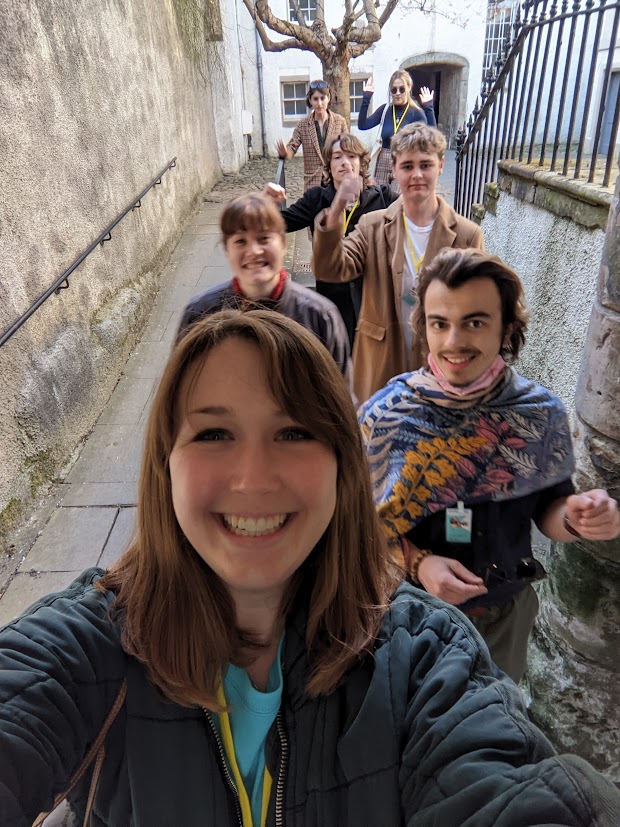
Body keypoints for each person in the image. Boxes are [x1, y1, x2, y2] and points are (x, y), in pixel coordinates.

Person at [2, 309, 620, 826]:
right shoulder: (90, 644)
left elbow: (502, 784)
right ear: (166, 466)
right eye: (214, 434)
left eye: (295, 431)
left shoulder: (424, 657)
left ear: (343, 467)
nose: (253, 478)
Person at [358, 248, 620, 683]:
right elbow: (355, 523)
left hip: (503, 619)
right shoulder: (387, 416)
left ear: (507, 330)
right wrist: (419, 562)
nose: (454, 341)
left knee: (490, 735)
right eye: (440, 323)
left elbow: (549, 511)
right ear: (424, 327)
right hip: (406, 612)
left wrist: (578, 518)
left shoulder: (539, 414)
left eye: (474, 322)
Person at [312, 123, 484, 403]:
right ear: (393, 170)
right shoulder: (372, 226)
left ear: (441, 165)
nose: (416, 174)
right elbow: (331, 268)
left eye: (425, 165)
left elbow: (476, 310)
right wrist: (336, 209)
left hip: (440, 371)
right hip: (381, 367)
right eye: (407, 166)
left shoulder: (467, 235)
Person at [175, 193, 350, 380]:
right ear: (227, 250)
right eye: (241, 241)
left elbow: (341, 393)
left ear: (283, 243)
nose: (254, 251)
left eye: (264, 238)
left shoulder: (319, 316)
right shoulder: (201, 314)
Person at [265, 132, 398, 347]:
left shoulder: (382, 198)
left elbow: (416, 214)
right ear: (329, 165)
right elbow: (276, 224)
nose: (345, 163)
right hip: (332, 303)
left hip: (372, 302)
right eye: (337, 157)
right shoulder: (316, 198)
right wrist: (266, 202)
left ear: (361, 162)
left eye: (351, 156)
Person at [358, 71, 436, 186]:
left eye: (402, 89)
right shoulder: (385, 110)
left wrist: (429, 108)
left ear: (409, 88)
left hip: (405, 160)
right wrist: (366, 99)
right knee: (380, 200)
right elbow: (363, 125)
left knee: (400, 201)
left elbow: (432, 138)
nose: (398, 93)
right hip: (384, 161)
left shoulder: (416, 113)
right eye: (394, 90)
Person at [276, 80, 347, 192]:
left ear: (328, 98)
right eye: (315, 99)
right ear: (310, 100)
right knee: (314, 209)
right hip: (312, 183)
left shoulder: (340, 121)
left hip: (335, 181)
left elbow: (347, 149)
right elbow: (292, 147)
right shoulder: (303, 125)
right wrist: (285, 153)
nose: (319, 103)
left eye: (322, 98)